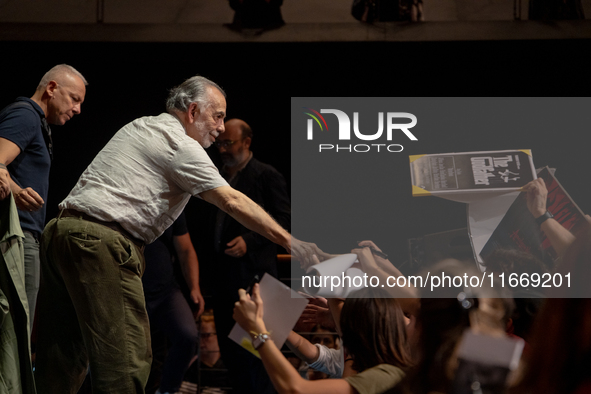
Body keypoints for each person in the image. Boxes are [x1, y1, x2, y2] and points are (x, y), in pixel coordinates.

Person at [33, 75, 324, 394]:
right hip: (100, 242)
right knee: (126, 363)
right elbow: (230, 200)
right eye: (218, 115)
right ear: (193, 111)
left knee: (61, 358)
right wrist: (290, 241)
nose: (222, 127)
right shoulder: (181, 144)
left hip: (61, 233)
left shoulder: (141, 125)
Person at [208, 118, 291, 394]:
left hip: (258, 281)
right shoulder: (219, 177)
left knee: (260, 357)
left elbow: (285, 221)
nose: (222, 149)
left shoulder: (267, 175)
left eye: (228, 143)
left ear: (247, 142)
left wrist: (249, 241)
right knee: (234, 358)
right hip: (226, 282)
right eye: (219, 143)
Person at [0, 64, 87, 324]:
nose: (78, 109)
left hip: (24, 234)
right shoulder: (25, 115)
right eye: (75, 99)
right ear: (52, 88)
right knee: (15, 328)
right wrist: (16, 191)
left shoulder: (35, 122)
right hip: (15, 235)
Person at [233, 284, 413, 394]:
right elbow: (307, 349)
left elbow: (295, 389)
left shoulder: (385, 376)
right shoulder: (388, 365)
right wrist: (269, 324)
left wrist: (255, 329)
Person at [142, 212, 204, 394]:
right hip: (131, 292)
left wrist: (194, 287)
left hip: (166, 289)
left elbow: (185, 249)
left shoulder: (171, 201)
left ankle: (168, 390)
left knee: (188, 335)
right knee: (136, 351)